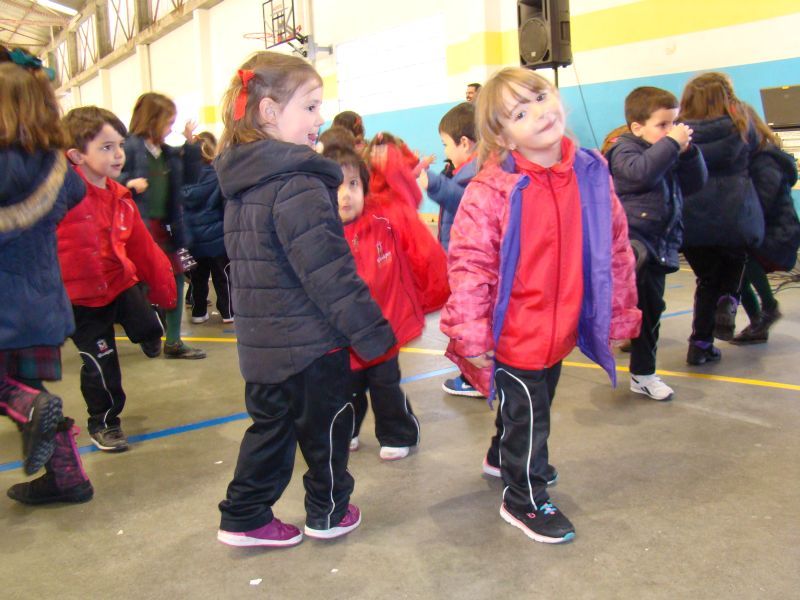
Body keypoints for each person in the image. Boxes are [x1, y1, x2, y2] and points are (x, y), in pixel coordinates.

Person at [440, 67, 641, 544]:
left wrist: (618, 312)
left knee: (533, 404)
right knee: (531, 415)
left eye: (540, 97)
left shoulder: (591, 172)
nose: (539, 113)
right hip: (514, 331)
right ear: (503, 137)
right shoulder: (491, 191)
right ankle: (523, 497)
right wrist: (471, 334)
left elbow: (614, 245)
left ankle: (501, 455)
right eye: (519, 114)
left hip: (561, 324)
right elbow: (469, 265)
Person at [214, 51, 395, 547]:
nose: (320, 119)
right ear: (269, 111)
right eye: (310, 107)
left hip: (261, 345)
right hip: (312, 344)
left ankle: (244, 515)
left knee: (270, 430)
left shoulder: (242, 180)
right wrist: (371, 332)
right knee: (328, 429)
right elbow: (328, 272)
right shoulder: (298, 182)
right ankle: (329, 511)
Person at [0, 47, 93, 505]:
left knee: (22, 396)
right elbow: (75, 194)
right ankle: (67, 478)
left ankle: (27, 404)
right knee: (30, 387)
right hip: (43, 301)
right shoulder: (56, 166)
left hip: (4, 301)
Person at [57, 106, 177, 452]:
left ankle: (149, 333)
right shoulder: (58, 199)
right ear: (77, 155)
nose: (118, 154)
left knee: (149, 327)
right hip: (81, 301)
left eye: (120, 145)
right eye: (106, 147)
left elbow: (144, 249)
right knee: (101, 363)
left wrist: (165, 292)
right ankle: (105, 422)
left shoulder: (121, 198)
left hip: (120, 284)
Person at [325, 145, 448, 460]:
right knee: (345, 389)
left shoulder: (384, 218)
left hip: (385, 328)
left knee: (385, 386)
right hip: (343, 337)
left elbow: (405, 195)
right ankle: (348, 429)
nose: (345, 195)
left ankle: (398, 432)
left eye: (353, 184)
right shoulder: (320, 234)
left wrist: (390, 160)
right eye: (336, 186)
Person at [605, 87, 707, 401]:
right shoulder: (624, 150)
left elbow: (696, 183)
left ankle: (642, 373)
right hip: (635, 246)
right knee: (636, 307)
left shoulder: (666, 151)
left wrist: (688, 153)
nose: (671, 131)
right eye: (662, 125)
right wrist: (671, 144)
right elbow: (640, 175)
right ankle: (639, 366)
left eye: (674, 123)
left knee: (651, 310)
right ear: (637, 127)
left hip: (659, 245)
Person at [678, 72, 764, 364]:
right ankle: (729, 299)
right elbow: (760, 158)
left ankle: (699, 345)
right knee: (733, 270)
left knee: (706, 281)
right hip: (734, 214)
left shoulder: (680, 132)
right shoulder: (741, 125)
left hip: (692, 218)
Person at [118, 92, 206, 359]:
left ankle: (174, 341)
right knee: (141, 285)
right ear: (152, 120)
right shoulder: (129, 148)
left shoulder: (166, 153)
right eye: (168, 121)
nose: (170, 128)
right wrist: (128, 184)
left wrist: (191, 145)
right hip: (139, 228)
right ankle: (149, 333)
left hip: (167, 228)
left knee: (175, 280)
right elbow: (108, 179)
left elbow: (190, 176)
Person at [417, 102, 482, 398]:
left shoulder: (477, 173)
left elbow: (464, 200)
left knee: (469, 324)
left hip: (469, 265)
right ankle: (476, 375)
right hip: (463, 262)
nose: (445, 150)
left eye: (446, 144)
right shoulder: (468, 170)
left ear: (464, 143)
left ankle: (475, 379)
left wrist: (433, 183)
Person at [730, 105, 800, 344]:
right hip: (764, 230)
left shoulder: (764, 159)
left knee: (742, 261)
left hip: (778, 232)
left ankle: (768, 309)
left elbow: (764, 199)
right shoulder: (750, 157)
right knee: (735, 273)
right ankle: (758, 323)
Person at [183, 131, 233, 325]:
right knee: (222, 277)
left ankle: (199, 312)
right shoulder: (218, 175)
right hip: (217, 237)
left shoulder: (185, 179)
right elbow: (225, 205)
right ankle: (227, 312)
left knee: (198, 278)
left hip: (194, 240)